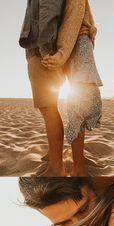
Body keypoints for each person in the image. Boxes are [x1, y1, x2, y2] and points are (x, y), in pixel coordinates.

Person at [19, 0, 102, 176]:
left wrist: (48, 49)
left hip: (49, 43)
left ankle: (61, 166)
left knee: (55, 105)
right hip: (50, 40)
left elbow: (52, 10)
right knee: (66, 104)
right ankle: (62, 156)